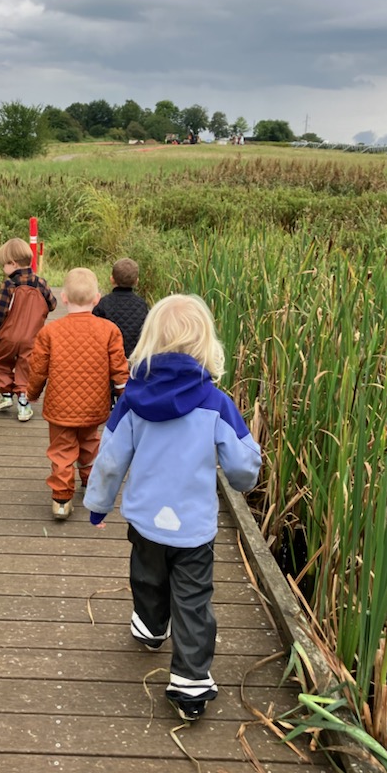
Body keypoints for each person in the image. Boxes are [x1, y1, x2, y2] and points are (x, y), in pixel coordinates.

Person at [83, 294, 261, 722]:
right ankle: (191, 682)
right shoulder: (216, 403)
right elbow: (241, 465)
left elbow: (109, 458)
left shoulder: (132, 401)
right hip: (194, 528)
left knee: (147, 576)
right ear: (205, 345)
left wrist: (98, 504)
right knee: (194, 599)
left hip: (145, 520)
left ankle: (149, 626)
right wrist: (245, 481)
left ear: (148, 341)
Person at [27, 267, 129, 521]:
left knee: (62, 450)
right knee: (90, 443)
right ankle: (90, 482)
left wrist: (32, 393)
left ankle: (61, 500)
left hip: (60, 407)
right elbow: (119, 369)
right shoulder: (109, 330)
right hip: (94, 405)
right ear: (97, 298)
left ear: (63, 298)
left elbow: (38, 370)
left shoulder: (50, 332)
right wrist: (123, 394)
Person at [0, 238, 56, 422]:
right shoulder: (41, 283)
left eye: (4, 266)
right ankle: (23, 404)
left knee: (2, 363)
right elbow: (52, 305)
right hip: (32, 338)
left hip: (9, 336)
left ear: (13, 264)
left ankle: (6, 394)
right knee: (26, 367)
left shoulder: (9, 285)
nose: (3, 270)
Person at [92, 258, 149, 360]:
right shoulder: (142, 305)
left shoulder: (102, 304)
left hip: (109, 358)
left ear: (112, 279)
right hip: (134, 358)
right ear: (136, 281)